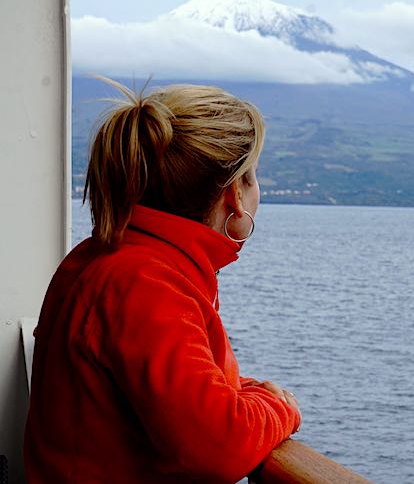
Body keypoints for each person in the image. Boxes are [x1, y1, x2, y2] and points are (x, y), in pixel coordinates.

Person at [24, 78, 301, 483]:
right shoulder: (146, 284)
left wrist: (244, 393)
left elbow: (165, 390)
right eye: (253, 175)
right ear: (234, 195)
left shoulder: (108, 258)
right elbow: (218, 447)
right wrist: (281, 408)